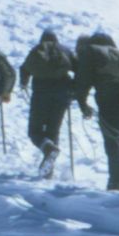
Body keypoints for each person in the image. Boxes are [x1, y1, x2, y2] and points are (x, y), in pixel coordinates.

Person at [74, 32, 119, 191]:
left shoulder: (91, 51)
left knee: (112, 143)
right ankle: (118, 182)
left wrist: (82, 103)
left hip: (110, 98)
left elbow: (83, 80)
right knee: (116, 142)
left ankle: (118, 183)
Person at [20, 29, 78, 178]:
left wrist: (24, 83)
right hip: (62, 94)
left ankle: (48, 149)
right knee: (53, 130)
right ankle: (49, 171)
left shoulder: (37, 50)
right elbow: (79, 69)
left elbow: (25, 68)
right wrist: (74, 89)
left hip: (41, 93)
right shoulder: (65, 50)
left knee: (34, 131)